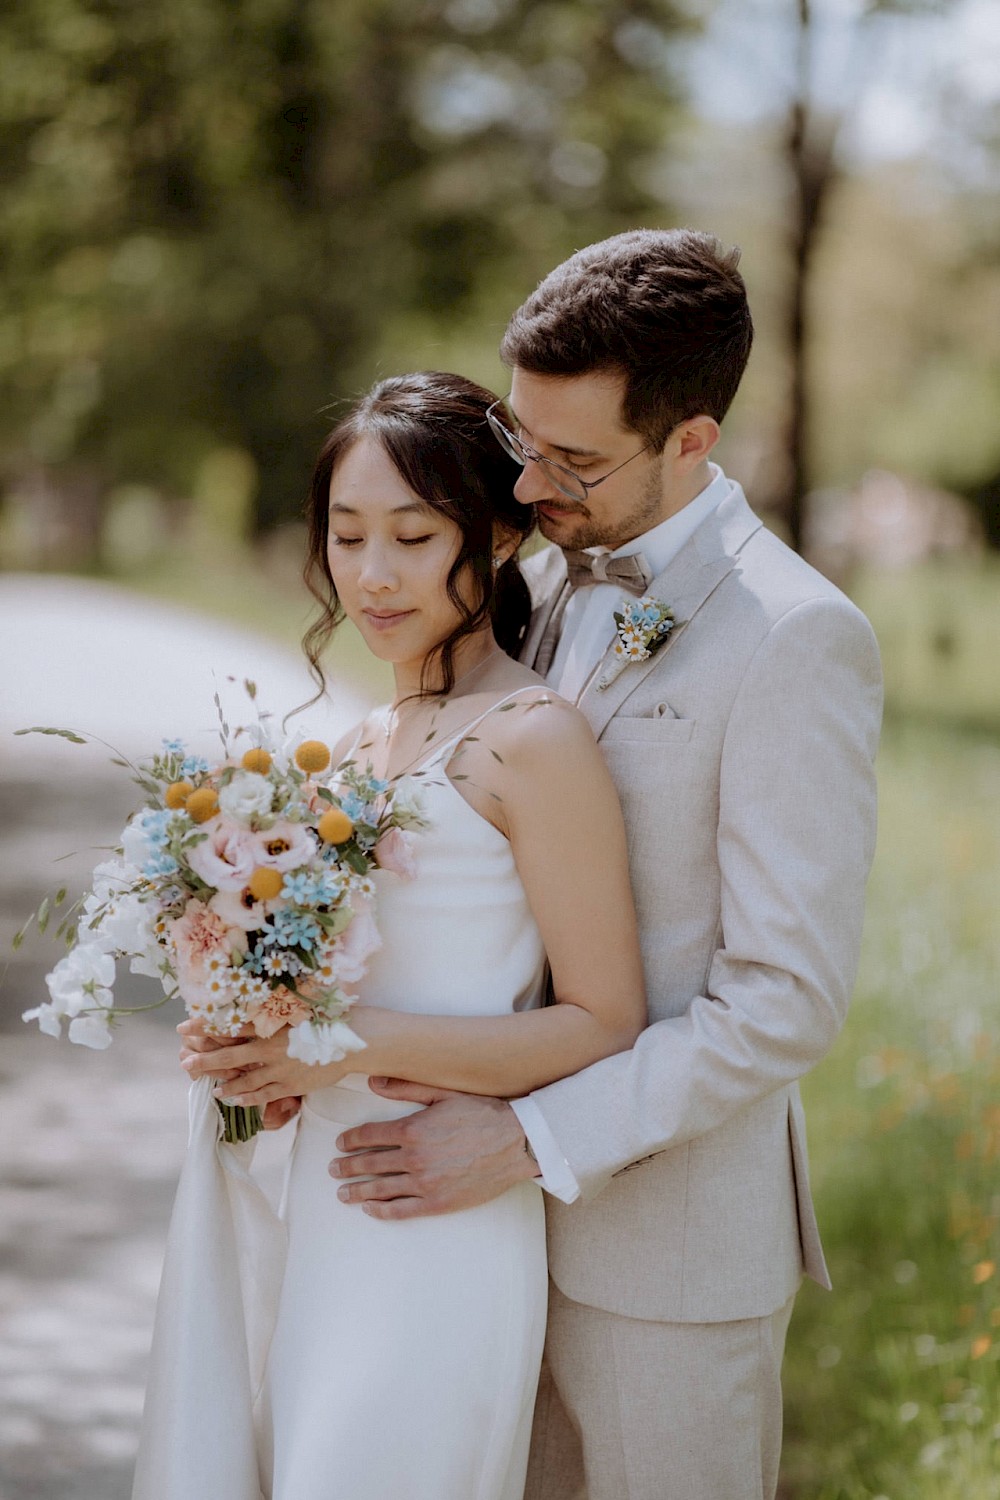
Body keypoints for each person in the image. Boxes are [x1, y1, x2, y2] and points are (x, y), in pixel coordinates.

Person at [324, 230, 884, 1500]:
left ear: (692, 439)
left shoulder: (797, 637)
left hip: (663, 1264)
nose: (528, 485)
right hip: (474, 1246)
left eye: (573, 460)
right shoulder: (533, 580)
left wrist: (529, 1137)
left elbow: (782, 1002)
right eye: (520, 440)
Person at [141, 370, 647, 1500]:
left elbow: (605, 1022)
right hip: (325, 1205)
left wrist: (344, 1044)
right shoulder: (365, 740)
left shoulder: (533, 738)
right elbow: (341, 984)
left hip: (440, 1220)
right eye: (348, 534)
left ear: (500, 535)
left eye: (414, 538)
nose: (372, 574)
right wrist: (258, 1044)